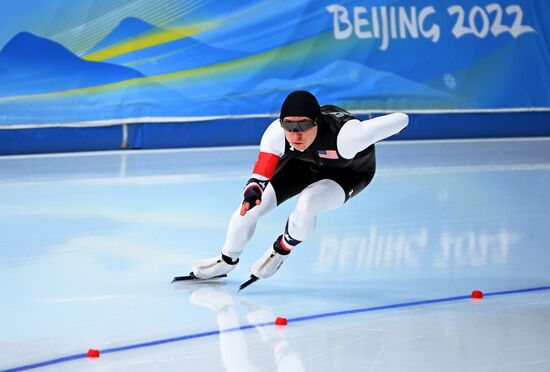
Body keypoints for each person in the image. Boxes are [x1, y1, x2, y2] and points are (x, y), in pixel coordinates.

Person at [189, 90, 408, 286]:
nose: (296, 134)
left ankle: (281, 249)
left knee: (307, 203)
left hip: (348, 172)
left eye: (303, 125)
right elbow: (259, 177)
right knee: (244, 212)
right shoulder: (276, 133)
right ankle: (226, 260)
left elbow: (401, 119)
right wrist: (253, 190)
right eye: (289, 127)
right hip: (302, 164)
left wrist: (377, 131)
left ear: (317, 123)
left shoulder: (347, 137)